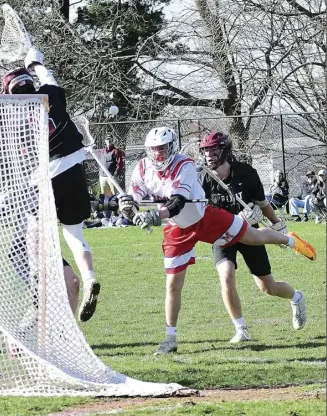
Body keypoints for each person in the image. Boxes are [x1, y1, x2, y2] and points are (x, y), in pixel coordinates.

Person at [118, 127, 316, 355]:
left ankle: (291, 241)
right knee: (179, 283)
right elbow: (133, 197)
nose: (158, 155)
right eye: (153, 150)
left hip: (205, 219)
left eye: (162, 149)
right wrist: (129, 208)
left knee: (257, 252)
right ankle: (172, 339)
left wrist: (271, 221)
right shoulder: (144, 167)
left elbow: (177, 202)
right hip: (177, 228)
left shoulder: (187, 165)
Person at [2, 47, 103, 322]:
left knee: (33, 232)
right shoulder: (51, 97)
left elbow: (23, 159)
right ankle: (89, 276)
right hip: (75, 167)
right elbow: (48, 76)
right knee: (74, 233)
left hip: (48, 176)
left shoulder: (12, 117)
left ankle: (37, 284)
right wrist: (35, 62)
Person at [199, 131, 307, 343]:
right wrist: (234, 218)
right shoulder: (203, 177)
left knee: (268, 287)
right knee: (226, 275)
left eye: (214, 149)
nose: (209, 154)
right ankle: (241, 329)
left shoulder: (246, 172)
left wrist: (276, 223)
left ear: (225, 151)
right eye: (206, 150)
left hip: (250, 232)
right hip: (222, 235)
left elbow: (261, 203)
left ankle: (297, 297)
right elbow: (202, 214)